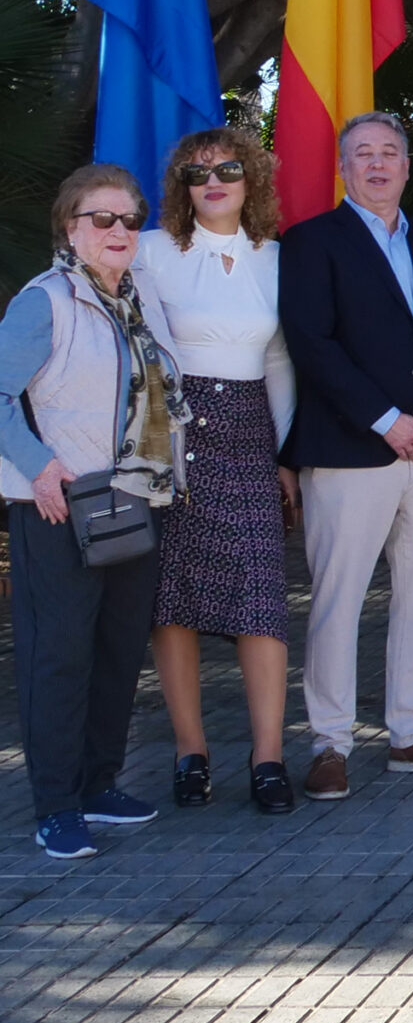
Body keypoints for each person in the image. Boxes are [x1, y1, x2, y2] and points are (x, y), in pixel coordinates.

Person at [280, 113, 413, 800]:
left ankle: (411, 732)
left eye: (389, 153)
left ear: (407, 166)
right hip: (350, 452)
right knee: (337, 601)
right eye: (362, 154)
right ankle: (330, 743)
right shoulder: (312, 241)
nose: (376, 164)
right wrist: (386, 418)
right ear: (344, 168)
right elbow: (313, 343)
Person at [1, 165, 187, 857]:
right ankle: (55, 804)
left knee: (115, 650)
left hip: (136, 501)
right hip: (60, 504)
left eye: (127, 219)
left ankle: (99, 783)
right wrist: (40, 467)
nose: (117, 231)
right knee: (60, 654)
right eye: (99, 218)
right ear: (70, 228)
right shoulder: (44, 302)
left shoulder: (142, 301)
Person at [139, 129, 300, 815]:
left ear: (252, 179)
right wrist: (157, 449)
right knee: (172, 604)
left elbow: (280, 363)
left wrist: (283, 455)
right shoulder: (149, 252)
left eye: (228, 169)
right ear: (180, 184)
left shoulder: (279, 259)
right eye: (196, 172)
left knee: (262, 601)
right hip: (174, 431)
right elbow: (146, 355)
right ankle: (190, 752)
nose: (213, 181)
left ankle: (268, 758)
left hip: (251, 432)